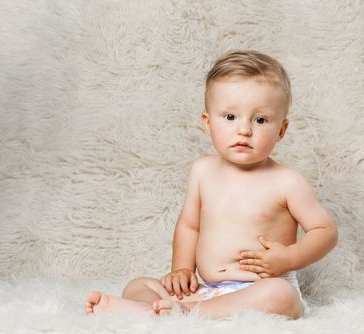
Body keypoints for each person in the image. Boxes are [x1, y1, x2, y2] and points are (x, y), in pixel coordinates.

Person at [85, 50, 338, 320]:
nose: (244, 130)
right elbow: (189, 225)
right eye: (230, 117)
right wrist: (182, 270)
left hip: (259, 287)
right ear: (207, 122)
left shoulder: (287, 181)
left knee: (282, 296)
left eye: (260, 120)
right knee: (139, 284)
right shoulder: (202, 171)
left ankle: (185, 313)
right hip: (209, 290)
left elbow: (325, 231)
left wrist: (288, 258)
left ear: (282, 130)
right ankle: (154, 311)